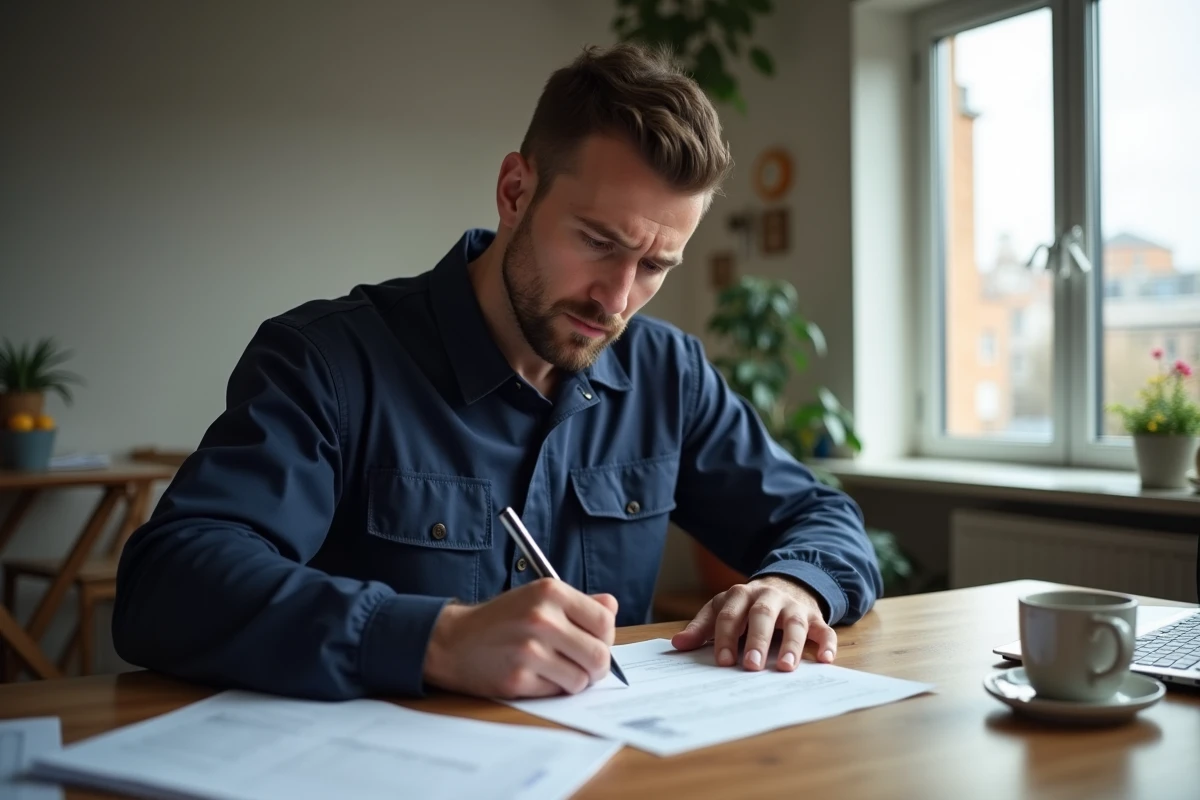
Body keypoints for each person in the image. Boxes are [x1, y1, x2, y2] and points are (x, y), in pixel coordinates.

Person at [112, 42, 883, 702]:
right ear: (516, 190)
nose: (618, 299)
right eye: (598, 241)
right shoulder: (328, 362)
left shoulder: (667, 374)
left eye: (655, 265)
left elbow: (825, 520)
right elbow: (169, 584)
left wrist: (794, 585)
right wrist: (433, 639)